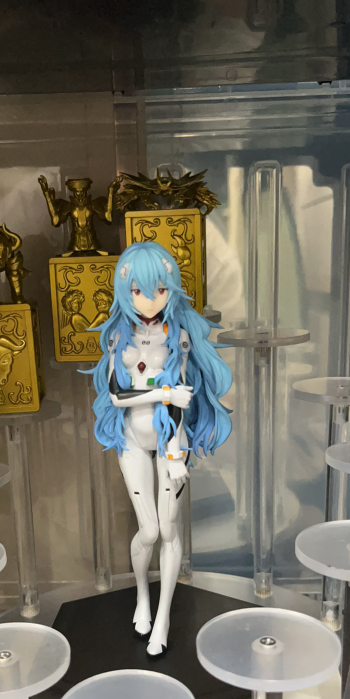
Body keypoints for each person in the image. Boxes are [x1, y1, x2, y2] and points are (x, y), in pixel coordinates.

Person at [91, 241, 231, 656]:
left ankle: (164, 616)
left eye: (159, 289)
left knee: (169, 531)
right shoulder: (118, 336)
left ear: (171, 288)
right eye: (138, 290)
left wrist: (173, 453)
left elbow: (180, 400)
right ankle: (142, 596)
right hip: (132, 438)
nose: (149, 300)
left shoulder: (179, 337)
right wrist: (162, 393)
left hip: (171, 439)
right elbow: (116, 395)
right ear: (125, 289)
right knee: (149, 530)